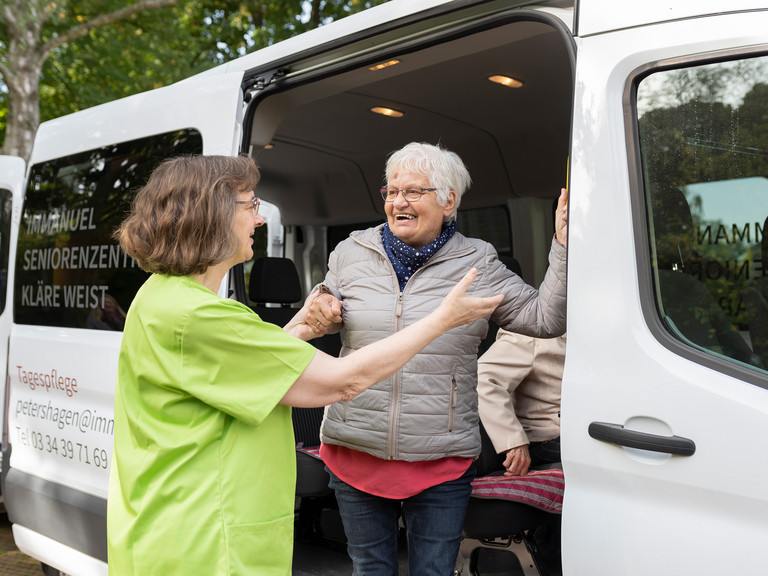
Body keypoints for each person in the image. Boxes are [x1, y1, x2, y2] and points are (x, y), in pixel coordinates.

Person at [106, 154, 503, 576]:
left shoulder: (161, 297)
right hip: (205, 546)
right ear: (211, 215)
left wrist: (297, 330)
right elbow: (343, 381)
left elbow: (243, 368)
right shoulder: (201, 317)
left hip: (169, 531)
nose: (259, 220)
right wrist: (442, 319)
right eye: (251, 205)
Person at [306, 142, 568, 576]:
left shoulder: (478, 261)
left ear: (448, 201)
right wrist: (321, 301)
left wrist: (561, 245)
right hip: (355, 448)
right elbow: (326, 303)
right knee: (370, 570)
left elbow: (545, 319)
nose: (398, 202)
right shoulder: (350, 251)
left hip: (440, 459)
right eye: (392, 191)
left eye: (413, 191)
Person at [477, 329, 566, 477]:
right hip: (547, 440)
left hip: (582, 430)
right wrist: (514, 442)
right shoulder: (528, 334)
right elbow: (483, 380)